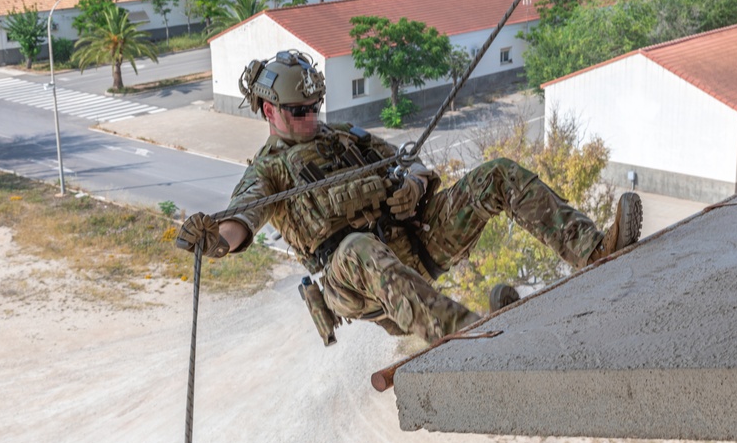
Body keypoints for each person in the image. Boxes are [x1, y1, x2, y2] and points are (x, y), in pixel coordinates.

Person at [176, 50, 642, 344]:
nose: (311, 117)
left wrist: (415, 185)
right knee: (358, 248)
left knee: (495, 176)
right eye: (299, 111)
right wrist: (214, 239)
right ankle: (464, 334)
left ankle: (592, 249)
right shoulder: (269, 171)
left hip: (413, 242)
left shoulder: (345, 138)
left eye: (315, 107)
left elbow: (408, 160)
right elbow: (240, 222)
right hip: (352, 281)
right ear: (270, 110)